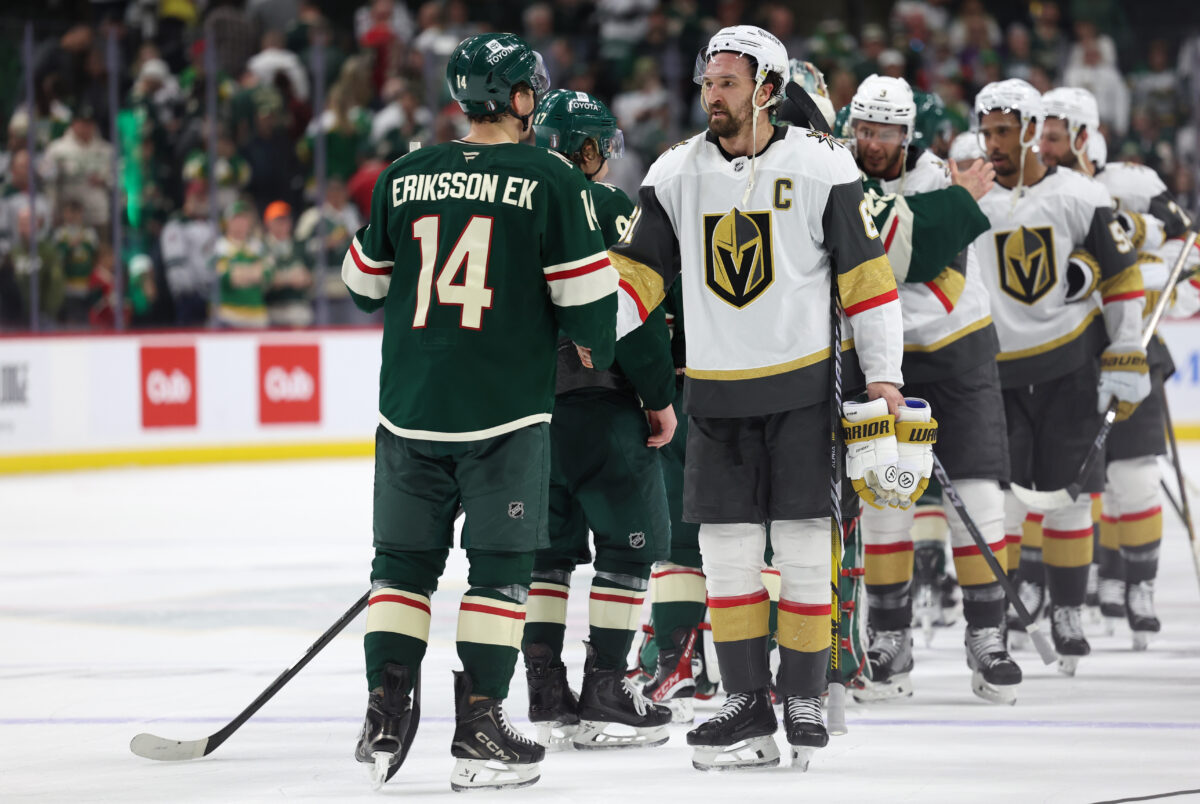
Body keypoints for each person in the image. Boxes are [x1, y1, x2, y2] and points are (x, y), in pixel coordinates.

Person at [608, 25, 914, 772]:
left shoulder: (821, 165)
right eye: (708, 83)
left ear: (768, 89)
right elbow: (639, 277)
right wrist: (582, 340)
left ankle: (804, 693)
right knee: (728, 554)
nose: (712, 95)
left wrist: (885, 375)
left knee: (808, 547)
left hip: (804, 390)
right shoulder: (675, 172)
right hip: (713, 394)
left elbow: (867, 282)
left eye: (727, 83)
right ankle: (746, 703)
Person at [343, 33, 620, 791]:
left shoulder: (404, 173)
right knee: (498, 577)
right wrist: (590, 347)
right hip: (503, 415)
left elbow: (363, 283)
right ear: (523, 97)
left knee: (400, 570)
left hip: (408, 411)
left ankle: (386, 711)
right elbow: (592, 315)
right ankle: (479, 729)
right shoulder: (552, 178)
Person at [845, 75, 1019, 704]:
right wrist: (919, 236)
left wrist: (885, 262)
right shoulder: (844, 173)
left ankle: (987, 634)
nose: (871, 142)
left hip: (956, 353)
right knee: (886, 499)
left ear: (906, 134)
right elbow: (894, 247)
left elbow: (926, 269)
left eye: (885, 131)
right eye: (863, 128)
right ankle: (891, 636)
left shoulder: (938, 179)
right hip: (878, 363)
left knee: (976, 499)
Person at [972, 79, 1147, 676]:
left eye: (1005, 130)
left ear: (1030, 130)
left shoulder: (1080, 194)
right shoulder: (970, 195)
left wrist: (1126, 353)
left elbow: (1123, 279)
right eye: (987, 130)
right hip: (995, 369)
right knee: (1005, 503)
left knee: (1071, 496)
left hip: (1070, 363)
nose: (994, 143)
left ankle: (1068, 610)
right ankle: (1001, 610)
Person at [519, 88, 675, 751]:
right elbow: (629, 315)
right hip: (604, 408)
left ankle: (546, 689)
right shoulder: (609, 206)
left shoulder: (512, 205)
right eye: (599, 146)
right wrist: (658, 395)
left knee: (547, 555)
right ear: (585, 149)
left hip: (529, 414)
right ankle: (609, 688)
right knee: (629, 543)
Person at [1040, 86, 1195, 649]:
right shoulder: (1035, 188)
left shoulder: (1124, 181)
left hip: (1131, 346)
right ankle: (1068, 589)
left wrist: (1146, 250)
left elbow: (1183, 233)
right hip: (1067, 352)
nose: (1045, 142)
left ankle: (1138, 586)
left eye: (1056, 131)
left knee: (1132, 478)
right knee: (1075, 484)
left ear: (1084, 136)